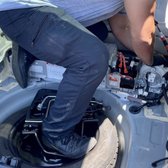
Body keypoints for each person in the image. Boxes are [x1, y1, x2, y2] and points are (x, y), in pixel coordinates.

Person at [0, 0, 159, 159]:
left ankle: (33, 48)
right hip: (20, 13)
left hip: (35, 9)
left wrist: (145, 58)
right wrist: (153, 63)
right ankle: (56, 134)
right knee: (92, 59)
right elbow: (143, 38)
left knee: (99, 32)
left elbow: (120, 26)